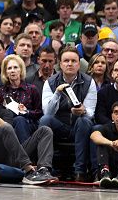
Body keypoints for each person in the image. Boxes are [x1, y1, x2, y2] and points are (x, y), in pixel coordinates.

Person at [40, 45, 97, 181]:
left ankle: (80, 171)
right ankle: (45, 168)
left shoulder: (89, 82)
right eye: (66, 61)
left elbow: (91, 112)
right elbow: (47, 112)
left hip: (79, 125)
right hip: (60, 125)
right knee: (45, 120)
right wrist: (57, 93)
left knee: (85, 121)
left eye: (73, 61)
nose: (70, 64)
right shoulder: (50, 82)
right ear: (60, 64)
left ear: (79, 64)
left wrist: (83, 111)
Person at [0, 55, 42, 143]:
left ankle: (24, 153)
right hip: (9, 125)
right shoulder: (1, 91)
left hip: (28, 124)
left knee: (20, 120)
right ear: (6, 72)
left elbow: (39, 113)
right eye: (9, 68)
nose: (12, 70)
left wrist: (26, 112)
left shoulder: (32, 89)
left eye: (15, 67)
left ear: (21, 70)